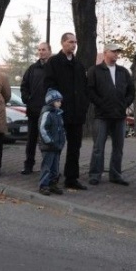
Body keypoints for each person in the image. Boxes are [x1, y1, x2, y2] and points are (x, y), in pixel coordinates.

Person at [43, 32, 89, 190]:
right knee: (56, 147)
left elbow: (84, 88)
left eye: (75, 42)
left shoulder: (79, 65)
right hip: (60, 113)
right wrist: (56, 105)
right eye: (70, 42)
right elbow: (49, 85)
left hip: (77, 113)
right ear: (62, 43)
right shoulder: (54, 63)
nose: (74, 45)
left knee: (75, 147)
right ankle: (51, 178)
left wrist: (84, 105)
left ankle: (72, 178)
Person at [86, 42, 135, 186]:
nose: (116, 54)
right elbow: (89, 90)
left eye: (117, 52)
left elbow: (131, 91)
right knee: (98, 147)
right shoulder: (95, 70)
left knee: (118, 148)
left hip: (119, 116)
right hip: (102, 115)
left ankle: (116, 175)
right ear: (105, 52)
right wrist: (100, 103)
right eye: (113, 51)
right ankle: (95, 174)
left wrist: (124, 104)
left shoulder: (123, 72)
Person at [20, 42, 51, 175]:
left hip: (49, 111)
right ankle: (28, 165)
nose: (41, 52)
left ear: (49, 51)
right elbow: (24, 86)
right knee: (31, 140)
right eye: (39, 50)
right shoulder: (32, 68)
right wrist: (27, 98)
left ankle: (49, 167)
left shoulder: (54, 68)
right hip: (33, 110)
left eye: (43, 49)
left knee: (48, 141)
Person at [37, 89, 66, 196]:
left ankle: (53, 184)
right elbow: (43, 129)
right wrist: (50, 141)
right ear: (51, 101)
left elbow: (61, 129)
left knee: (55, 167)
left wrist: (62, 141)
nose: (60, 103)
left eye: (60, 101)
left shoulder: (58, 113)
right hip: (49, 146)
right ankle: (43, 185)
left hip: (57, 146)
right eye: (58, 101)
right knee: (47, 166)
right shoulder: (47, 113)